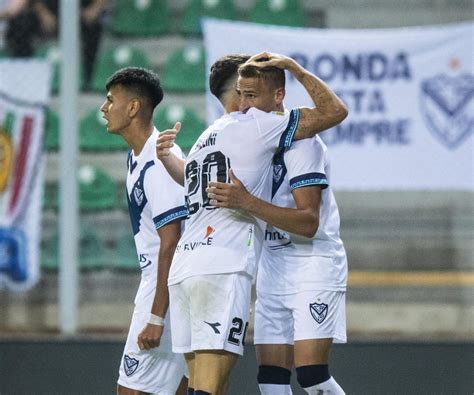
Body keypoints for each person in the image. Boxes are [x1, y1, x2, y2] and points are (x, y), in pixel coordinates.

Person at [156, 52, 347, 394]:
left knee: (312, 376)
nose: (244, 105)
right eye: (241, 95)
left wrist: (294, 68)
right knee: (270, 379)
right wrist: (170, 157)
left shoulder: (302, 141)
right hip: (270, 262)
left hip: (312, 262)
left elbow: (309, 223)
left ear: (278, 97)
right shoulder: (241, 136)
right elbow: (193, 177)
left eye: (252, 96)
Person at [100, 67, 188, 395]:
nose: (103, 108)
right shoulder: (136, 157)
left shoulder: (160, 161)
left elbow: (172, 240)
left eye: (111, 100)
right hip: (167, 287)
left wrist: (156, 316)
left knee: (131, 390)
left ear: (133, 108)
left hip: (164, 290)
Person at [2, 0, 107, 87]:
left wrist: (94, 9)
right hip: (50, 13)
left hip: (82, 13)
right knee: (20, 23)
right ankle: (23, 73)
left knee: (95, 28)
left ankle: (88, 78)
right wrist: (44, 13)